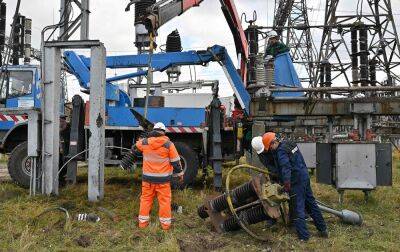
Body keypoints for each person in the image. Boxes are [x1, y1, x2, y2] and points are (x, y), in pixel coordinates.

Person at [251, 133, 328, 241]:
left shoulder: (280, 152)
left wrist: (286, 184)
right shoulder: (289, 143)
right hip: (304, 176)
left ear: (273, 142)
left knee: (297, 209)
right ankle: (323, 229)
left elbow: (285, 167)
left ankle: (304, 237)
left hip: (295, 181)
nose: (271, 150)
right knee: (311, 203)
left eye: (271, 147)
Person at [134, 122, 184, 230]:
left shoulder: (145, 142)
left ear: (153, 131)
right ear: (163, 132)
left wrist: (140, 139)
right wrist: (180, 174)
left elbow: (137, 145)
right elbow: (175, 162)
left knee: (146, 200)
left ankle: (142, 224)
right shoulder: (169, 144)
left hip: (147, 180)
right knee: (164, 201)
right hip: (163, 181)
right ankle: (165, 226)